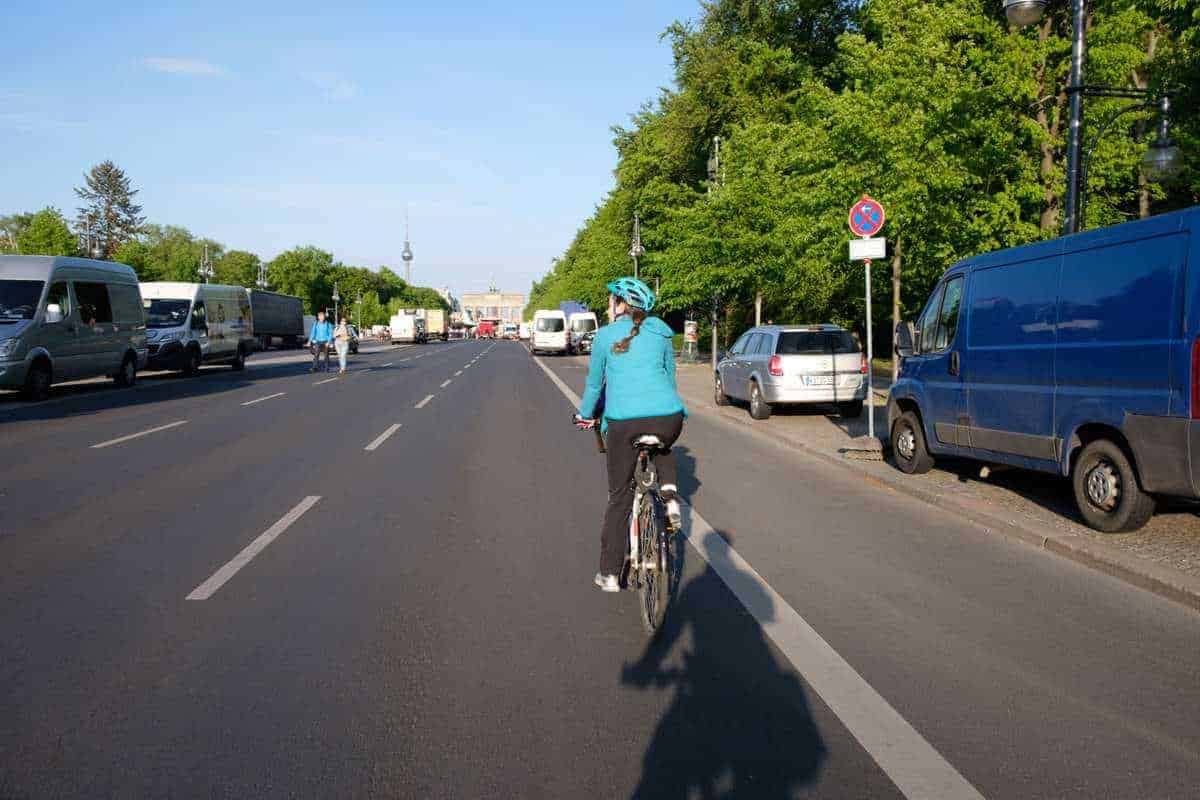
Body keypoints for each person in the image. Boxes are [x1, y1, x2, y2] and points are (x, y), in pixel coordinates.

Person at [576, 277, 687, 593]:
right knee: (663, 443)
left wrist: (585, 415)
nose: (609, 304)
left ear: (620, 304)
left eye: (611, 299)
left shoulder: (605, 337)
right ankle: (669, 495)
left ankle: (610, 574)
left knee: (619, 496)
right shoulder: (662, 333)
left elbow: (595, 385)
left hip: (624, 423)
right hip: (669, 416)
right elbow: (668, 378)